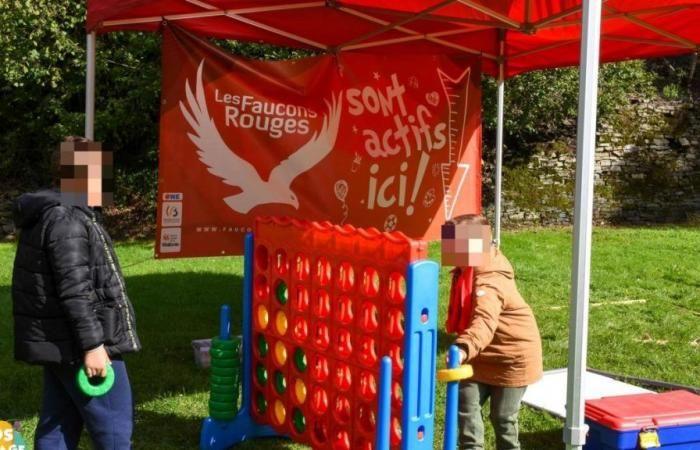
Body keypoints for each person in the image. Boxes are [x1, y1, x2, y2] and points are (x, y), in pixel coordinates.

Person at [11, 137, 141, 450]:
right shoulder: (67, 218)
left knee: (58, 425)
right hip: (80, 345)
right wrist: (94, 346)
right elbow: (75, 290)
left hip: (62, 345)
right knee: (113, 429)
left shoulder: (62, 212)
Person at [441, 214, 542, 450]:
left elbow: (484, 322)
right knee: (465, 407)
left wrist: (464, 347)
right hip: (479, 354)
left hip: (512, 357)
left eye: (454, 245)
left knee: (503, 417)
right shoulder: (467, 269)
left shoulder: (491, 282)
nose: (449, 252)